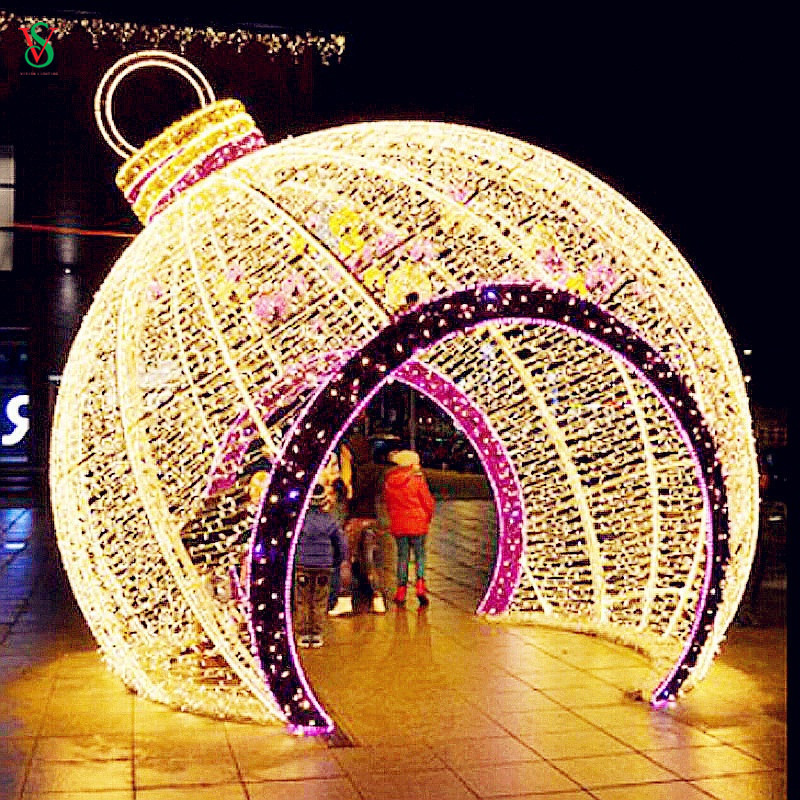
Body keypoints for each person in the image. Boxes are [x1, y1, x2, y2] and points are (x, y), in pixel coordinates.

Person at [294, 483, 348, 647]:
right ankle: (316, 634)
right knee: (319, 600)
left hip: (303, 565)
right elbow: (341, 545)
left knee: (302, 600)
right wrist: (336, 561)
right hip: (323, 566)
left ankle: (303, 634)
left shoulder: (300, 521)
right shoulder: (330, 521)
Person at [383, 450, 435, 607]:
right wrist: (428, 517)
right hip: (418, 522)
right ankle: (420, 586)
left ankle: (401, 591)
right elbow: (428, 501)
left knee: (402, 557)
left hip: (399, 524)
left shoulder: (389, 480)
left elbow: (388, 503)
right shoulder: (417, 479)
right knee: (420, 556)